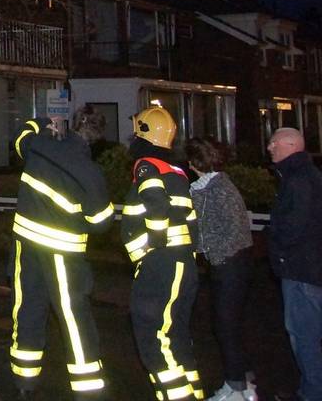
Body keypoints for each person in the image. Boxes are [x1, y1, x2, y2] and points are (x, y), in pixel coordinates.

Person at [9, 107, 116, 399]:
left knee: (27, 309)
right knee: (73, 317)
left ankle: (24, 382)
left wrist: (46, 122)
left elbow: (21, 136)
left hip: (26, 246)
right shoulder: (89, 171)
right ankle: (89, 390)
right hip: (63, 253)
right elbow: (101, 222)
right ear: (96, 138)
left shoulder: (38, 145)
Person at [122, 105, 204, 400]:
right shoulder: (178, 172)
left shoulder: (147, 165)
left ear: (144, 133)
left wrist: (150, 247)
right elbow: (191, 221)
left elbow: (156, 206)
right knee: (178, 336)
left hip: (160, 264)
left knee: (154, 339)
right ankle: (192, 392)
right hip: (183, 264)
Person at [186, 137, 257, 401]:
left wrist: (206, 252)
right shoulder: (219, 185)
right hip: (233, 265)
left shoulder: (212, 189)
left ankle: (236, 387)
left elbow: (211, 232)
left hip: (229, 266)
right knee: (230, 324)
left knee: (226, 325)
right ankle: (245, 382)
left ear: (193, 163)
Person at [266, 127, 322, 401]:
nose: (269, 147)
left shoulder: (298, 180)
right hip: (308, 269)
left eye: (274, 142)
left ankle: (312, 393)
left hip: (301, 271)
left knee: (304, 335)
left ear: (290, 145)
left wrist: (279, 253)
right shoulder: (307, 176)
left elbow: (292, 226)